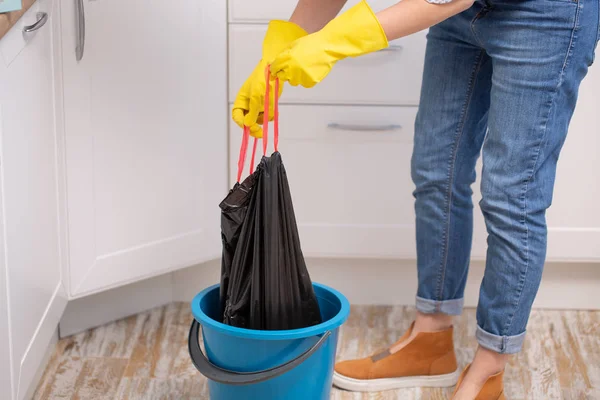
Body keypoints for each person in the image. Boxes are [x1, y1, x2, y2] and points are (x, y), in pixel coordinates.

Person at [232, 0, 599, 398]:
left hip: (545, 15)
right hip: (460, 14)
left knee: (512, 195)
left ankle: (490, 369)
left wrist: (334, 42)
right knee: (436, 168)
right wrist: (279, 52)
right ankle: (430, 340)